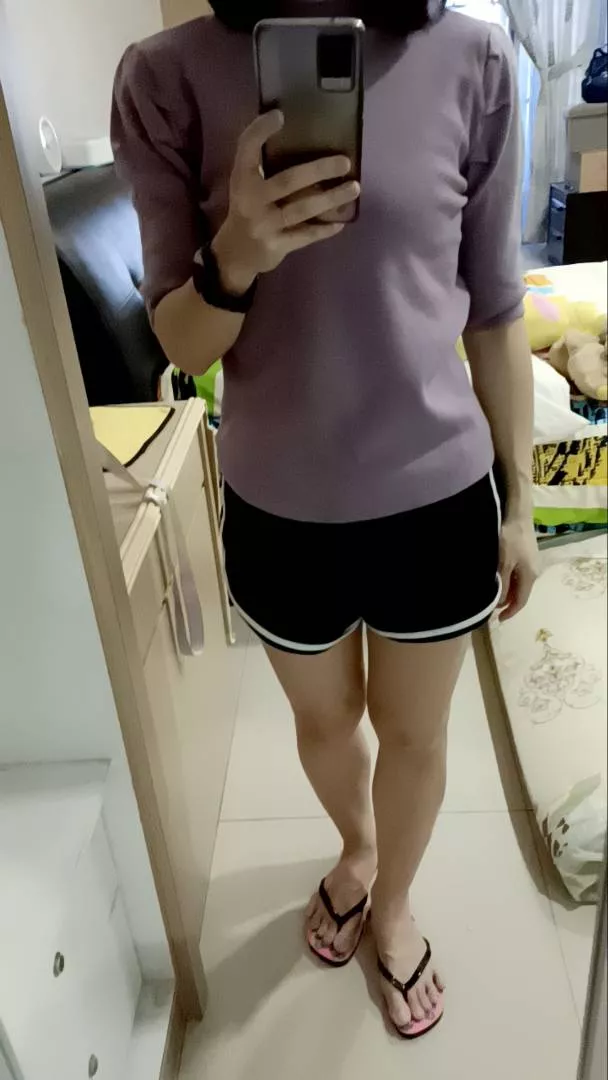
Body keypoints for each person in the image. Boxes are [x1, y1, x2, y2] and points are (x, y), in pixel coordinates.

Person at [112, 0, 538, 1040]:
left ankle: (392, 904)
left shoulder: (473, 58)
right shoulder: (163, 78)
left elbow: (493, 307)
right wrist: (236, 252)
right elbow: (183, 343)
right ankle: (358, 847)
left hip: (436, 496)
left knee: (415, 733)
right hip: (279, 506)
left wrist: (522, 500)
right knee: (323, 724)